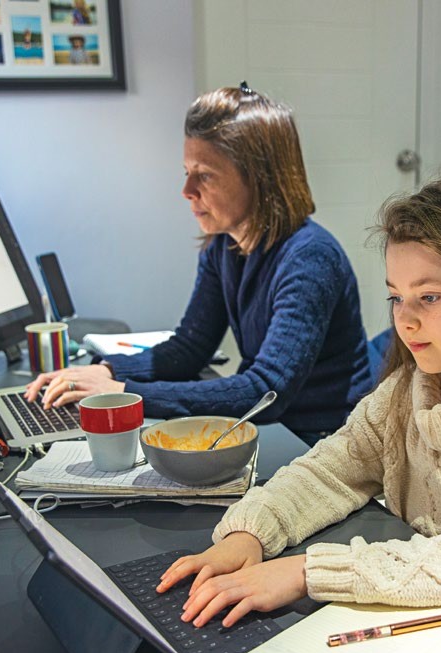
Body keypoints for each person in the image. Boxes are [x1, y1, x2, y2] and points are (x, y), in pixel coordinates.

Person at [155, 178, 441, 644]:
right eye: (396, 296)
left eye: (429, 297)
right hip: (419, 630)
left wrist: (308, 571)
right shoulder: (408, 390)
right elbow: (329, 470)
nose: (405, 318)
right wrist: (250, 533)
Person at [25, 83, 371, 446]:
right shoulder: (224, 245)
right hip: (277, 429)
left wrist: (124, 392)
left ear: (260, 178)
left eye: (204, 175)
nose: (187, 190)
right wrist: (106, 371)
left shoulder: (310, 258)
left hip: (323, 438)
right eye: (186, 171)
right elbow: (190, 347)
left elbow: (266, 392)